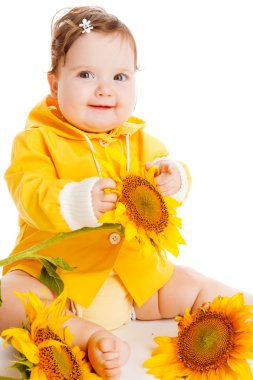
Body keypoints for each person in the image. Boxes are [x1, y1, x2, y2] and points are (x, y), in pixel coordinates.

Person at [0, 6, 252, 380]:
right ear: (55, 84)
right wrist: (76, 200)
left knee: (188, 281)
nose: (105, 89)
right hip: (59, 284)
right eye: (86, 74)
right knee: (10, 297)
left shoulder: (140, 141)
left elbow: (168, 177)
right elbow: (30, 192)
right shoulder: (36, 141)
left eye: (120, 76)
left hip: (135, 285)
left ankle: (240, 306)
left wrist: (174, 180)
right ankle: (87, 335)